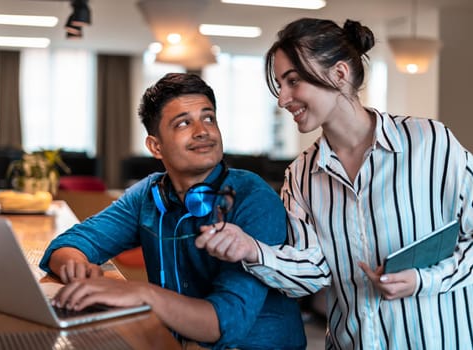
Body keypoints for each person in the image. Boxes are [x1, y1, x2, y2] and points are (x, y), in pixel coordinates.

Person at [195, 17, 473, 349]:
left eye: (293, 81)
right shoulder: (301, 174)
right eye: (280, 85)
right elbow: (312, 272)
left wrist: (422, 280)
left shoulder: (429, 142)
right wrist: (252, 250)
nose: (283, 99)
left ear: (339, 74)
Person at [39, 73, 306, 350]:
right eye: (183, 123)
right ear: (155, 146)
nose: (203, 131)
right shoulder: (149, 194)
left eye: (208, 118)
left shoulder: (254, 197)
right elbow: (68, 244)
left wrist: (142, 293)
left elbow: (225, 322)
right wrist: (77, 267)